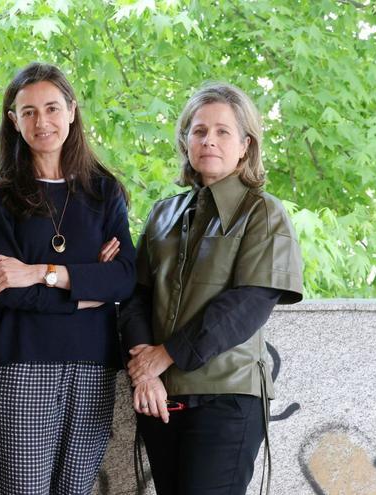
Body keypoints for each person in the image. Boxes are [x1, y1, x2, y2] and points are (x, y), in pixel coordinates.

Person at [119, 82, 303, 495]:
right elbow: (135, 299)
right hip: (160, 397)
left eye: (222, 131)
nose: (209, 140)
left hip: (227, 400)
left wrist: (164, 355)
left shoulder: (264, 214)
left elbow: (249, 304)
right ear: (185, 142)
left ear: (246, 145)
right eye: (199, 131)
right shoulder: (163, 214)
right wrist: (144, 375)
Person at [0, 62, 136, 494]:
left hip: (92, 366)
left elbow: (123, 278)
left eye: (51, 108)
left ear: (72, 111)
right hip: (19, 363)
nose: (41, 121)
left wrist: (39, 272)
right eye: (28, 112)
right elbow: (7, 291)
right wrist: (87, 289)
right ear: (13, 120)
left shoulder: (105, 191)